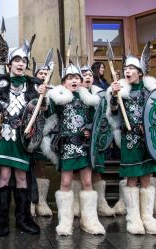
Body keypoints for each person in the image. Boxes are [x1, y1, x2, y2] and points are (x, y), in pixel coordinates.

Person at [0, 43, 46, 236]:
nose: (21, 64)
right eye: (17, 60)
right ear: (9, 63)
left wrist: (44, 98)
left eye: (24, 61)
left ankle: (23, 220)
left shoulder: (34, 84)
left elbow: (42, 110)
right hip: (4, 135)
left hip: (23, 137)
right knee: (3, 176)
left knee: (22, 176)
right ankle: (1, 222)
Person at [106, 46, 156, 235]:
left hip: (147, 140)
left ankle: (147, 217)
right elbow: (114, 111)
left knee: (147, 177)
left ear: (140, 72)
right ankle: (133, 218)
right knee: (131, 178)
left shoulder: (150, 90)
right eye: (125, 69)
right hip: (130, 139)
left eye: (131, 69)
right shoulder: (121, 91)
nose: (127, 72)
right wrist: (114, 96)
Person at [42, 62, 105, 235]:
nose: (74, 80)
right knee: (66, 182)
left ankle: (90, 221)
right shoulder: (59, 99)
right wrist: (45, 97)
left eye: (77, 77)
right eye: (70, 78)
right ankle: (65, 222)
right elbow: (47, 112)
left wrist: (89, 130)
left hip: (83, 147)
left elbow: (96, 120)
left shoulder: (87, 100)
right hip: (67, 146)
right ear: (64, 83)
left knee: (86, 182)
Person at [81, 64, 115, 217]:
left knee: (97, 171)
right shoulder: (74, 95)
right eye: (84, 74)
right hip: (79, 141)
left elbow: (107, 115)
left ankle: (100, 202)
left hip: (95, 140)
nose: (87, 77)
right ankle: (77, 204)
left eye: (89, 74)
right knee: (77, 173)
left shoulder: (100, 95)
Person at [30, 63, 53, 217]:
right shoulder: (29, 89)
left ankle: (41, 202)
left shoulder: (52, 92)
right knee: (27, 168)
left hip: (44, 133)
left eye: (46, 73)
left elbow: (51, 112)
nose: (43, 75)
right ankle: (30, 202)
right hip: (29, 133)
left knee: (41, 167)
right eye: (41, 72)